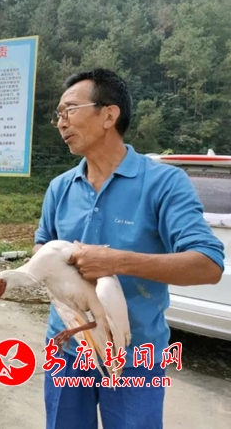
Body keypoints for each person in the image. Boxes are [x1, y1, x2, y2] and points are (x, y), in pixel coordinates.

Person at [33, 68, 224, 429]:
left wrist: (116, 261)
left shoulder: (164, 183)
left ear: (109, 115)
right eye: (58, 114)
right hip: (67, 349)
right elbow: (42, 243)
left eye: (70, 110)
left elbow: (208, 264)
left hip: (135, 354)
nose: (61, 122)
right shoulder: (60, 187)